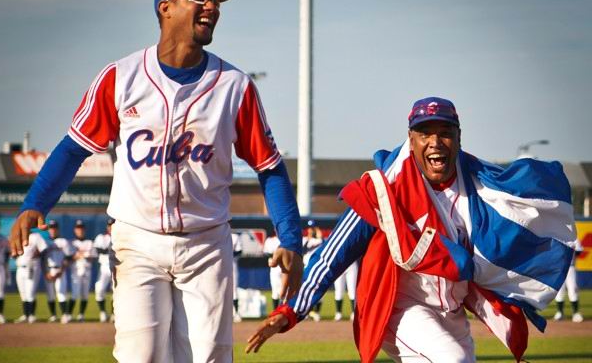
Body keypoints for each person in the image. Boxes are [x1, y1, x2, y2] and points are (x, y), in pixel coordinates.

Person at [9, 0, 303, 362]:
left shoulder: (235, 86)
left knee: (210, 356)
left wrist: (289, 239)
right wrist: (35, 204)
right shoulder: (121, 77)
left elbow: (270, 167)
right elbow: (72, 149)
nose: (212, 6)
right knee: (140, 355)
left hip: (206, 243)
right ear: (167, 7)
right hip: (138, 240)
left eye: (216, 0)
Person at [247, 97, 577, 363]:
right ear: (411, 139)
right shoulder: (385, 188)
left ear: (459, 136)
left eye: (445, 132)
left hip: (452, 311)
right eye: (424, 133)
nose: (435, 142)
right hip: (402, 308)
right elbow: (334, 253)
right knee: (451, 360)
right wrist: (290, 311)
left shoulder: (480, 186)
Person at [42, 219, 74, 324]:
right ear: (49, 230)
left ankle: (65, 315)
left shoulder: (63, 241)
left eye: (54, 228)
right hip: (49, 270)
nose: (53, 230)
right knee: (50, 294)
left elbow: (68, 257)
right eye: (51, 228)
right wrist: (45, 272)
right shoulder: (45, 242)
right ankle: (53, 315)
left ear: (58, 229)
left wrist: (62, 270)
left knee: (61, 293)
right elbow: (42, 259)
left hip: (60, 270)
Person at [14, 230, 47, 323]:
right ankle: (26, 315)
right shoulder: (17, 236)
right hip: (20, 267)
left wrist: (38, 253)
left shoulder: (36, 236)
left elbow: (44, 249)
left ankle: (32, 315)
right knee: (23, 293)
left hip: (32, 266)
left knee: (30, 292)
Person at [70, 219, 97, 322]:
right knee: (74, 293)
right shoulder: (72, 242)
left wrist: (84, 255)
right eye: (78, 228)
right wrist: (79, 255)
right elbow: (69, 257)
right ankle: (68, 314)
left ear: (84, 230)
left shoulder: (89, 242)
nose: (80, 230)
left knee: (85, 294)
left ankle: (81, 315)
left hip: (87, 270)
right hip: (75, 271)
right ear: (75, 230)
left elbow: (94, 256)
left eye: (81, 228)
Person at [553, 236, 584, 323]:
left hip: (570, 267)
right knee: (559, 290)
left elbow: (579, 251)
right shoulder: (555, 235)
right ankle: (560, 313)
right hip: (558, 268)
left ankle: (576, 313)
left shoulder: (573, 237)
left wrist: (570, 257)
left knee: (573, 288)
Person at [94, 218, 114, 323]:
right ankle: (102, 312)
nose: (111, 227)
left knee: (116, 292)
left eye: (113, 225)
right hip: (104, 266)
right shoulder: (101, 237)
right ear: (107, 226)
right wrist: (110, 249)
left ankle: (113, 314)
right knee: (99, 288)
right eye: (109, 225)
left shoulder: (120, 237)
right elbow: (98, 249)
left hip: (117, 267)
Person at [302, 220, 323, 321]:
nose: (311, 230)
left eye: (313, 228)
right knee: (305, 290)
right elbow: (303, 250)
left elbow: (324, 245)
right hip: (306, 267)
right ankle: (306, 312)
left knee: (319, 290)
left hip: (317, 267)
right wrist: (309, 237)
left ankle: (316, 312)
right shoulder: (305, 239)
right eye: (310, 228)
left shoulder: (320, 240)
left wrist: (319, 235)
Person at [263, 232, 283, 310]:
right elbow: (265, 252)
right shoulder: (270, 240)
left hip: (284, 266)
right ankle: (276, 311)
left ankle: (283, 311)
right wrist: (276, 255)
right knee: (275, 291)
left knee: (284, 291)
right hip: (274, 267)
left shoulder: (285, 240)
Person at [231, 231, 243, 323]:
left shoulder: (234, 236)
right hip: (218, 266)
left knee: (234, 289)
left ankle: (236, 313)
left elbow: (239, 251)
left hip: (232, 265)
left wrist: (228, 254)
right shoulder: (217, 235)